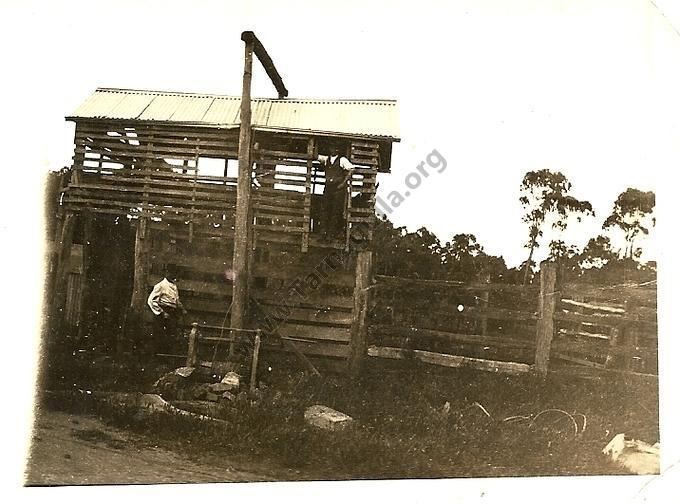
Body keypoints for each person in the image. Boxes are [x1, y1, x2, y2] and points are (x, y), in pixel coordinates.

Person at [147, 267, 187, 357]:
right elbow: (151, 301)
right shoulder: (160, 286)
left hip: (172, 312)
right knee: (160, 334)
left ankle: (167, 356)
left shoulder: (174, 286)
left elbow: (176, 300)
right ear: (166, 274)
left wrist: (182, 308)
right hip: (162, 313)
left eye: (174, 274)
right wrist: (162, 312)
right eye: (171, 273)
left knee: (171, 333)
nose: (173, 276)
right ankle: (158, 357)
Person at [318, 147, 354, 240]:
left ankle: (331, 235)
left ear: (338, 150)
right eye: (331, 148)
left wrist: (343, 183)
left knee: (335, 211)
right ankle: (323, 233)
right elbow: (315, 156)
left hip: (338, 189)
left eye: (335, 148)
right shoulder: (326, 159)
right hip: (328, 188)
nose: (333, 150)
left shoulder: (342, 160)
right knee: (324, 209)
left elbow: (352, 169)